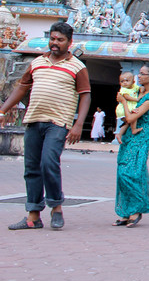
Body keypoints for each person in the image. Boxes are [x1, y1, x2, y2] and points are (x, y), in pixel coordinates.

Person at [0, 22, 91, 230]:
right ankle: (33, 216)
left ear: (69, 42)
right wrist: (3, 110)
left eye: (60, 40)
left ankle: (56, 207)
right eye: (52, 39)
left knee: (48, 162)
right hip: (34, 120)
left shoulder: (77, 66)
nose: (55, 43)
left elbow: (85, 95)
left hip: (58, 122)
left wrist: (78, 125)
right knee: (31, 168)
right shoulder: (37, 62)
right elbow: (22, 87)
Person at [115, 62, 149, 227]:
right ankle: (125, 211)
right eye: (139, 73)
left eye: (143, 74)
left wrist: (123, 101)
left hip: (140, 136)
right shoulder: (141, 92)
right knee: (123, 170)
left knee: (131, 173)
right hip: (130, 135)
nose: (139, 76)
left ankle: (136, 209)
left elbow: (130, 118)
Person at [114, 72, 140, 143]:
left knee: (127, 123)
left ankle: (119, 134)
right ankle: (133, 129)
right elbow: (126, 97)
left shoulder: (135, 87)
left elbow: (140, 89)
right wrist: (136, 99)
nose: (124, 83)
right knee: (133, 118)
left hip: (129, 108)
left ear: (133, 82)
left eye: (127, 81)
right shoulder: (123, 89)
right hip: (123, 109)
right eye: (122, 81)